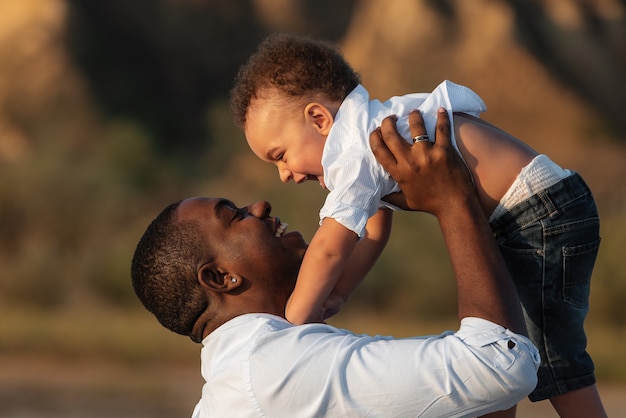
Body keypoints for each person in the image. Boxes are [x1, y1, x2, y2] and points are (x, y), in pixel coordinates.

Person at [229, 34, 606, 416]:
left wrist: (294, 323)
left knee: (552, 355)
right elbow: (374, 229)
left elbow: (330, 245)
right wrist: (338, 294)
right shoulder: (368, 130)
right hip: (536, 211)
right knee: (498, 341)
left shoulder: (355, 150)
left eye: (281, 156)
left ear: (319, 119)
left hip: (541, 214)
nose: (285, 175)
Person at [131, 109, 540, 417]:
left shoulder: (261, 365)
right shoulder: (275, 369)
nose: (260, 205)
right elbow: (500, 367)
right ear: (222, 277)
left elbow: (485, 396)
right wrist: (453, 201)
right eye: (236, 216)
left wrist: (365, 184)